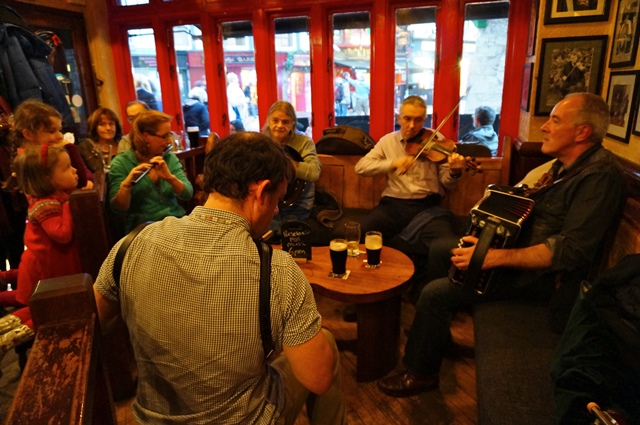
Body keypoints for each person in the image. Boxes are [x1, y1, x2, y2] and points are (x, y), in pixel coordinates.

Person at [377, 92, 627, 398]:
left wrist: (490, 256)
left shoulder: (600, 177)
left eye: (555, 120)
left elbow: (570, 251)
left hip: (547, 283)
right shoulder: (565, 167)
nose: (545, 127)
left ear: (582, 132)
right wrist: (485, 236)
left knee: (434, 293)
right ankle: (434, 335)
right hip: (523, 263)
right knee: (442, 249)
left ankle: (420, 373)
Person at [92, 132, 345, 424]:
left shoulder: (133, 242)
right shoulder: (277, 268)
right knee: (324, 345)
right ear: (261, 191)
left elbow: (92, 324)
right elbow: (319, 380)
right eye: (276, 199)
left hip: (151, 420)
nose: (275, 210)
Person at [355, 95, 466, 259]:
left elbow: (447, 183)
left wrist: (454, 172)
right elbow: (361, 167)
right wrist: (392, 163)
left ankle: (430, 283)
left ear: (425, 120)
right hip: (393, 206)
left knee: (447, 245)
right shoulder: (387, 141)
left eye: (418, 120)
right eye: (407, 119)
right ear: (398, 118)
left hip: (427, 206)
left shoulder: (436, 140)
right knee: (360, 232)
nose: (412, 126)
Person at [0, 144, 82, 353]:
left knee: (40, 309)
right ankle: (6, 341)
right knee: (46, 311)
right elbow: (62, 234)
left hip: (50, 263)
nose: (74, 170)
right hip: (43, 267)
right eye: (66, 168)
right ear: (47, 178)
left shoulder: (56, 196)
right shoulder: (46, 204)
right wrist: (69, 206)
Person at [108, 110, 193, 233]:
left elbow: (188, 194)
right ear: (146, 136)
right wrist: (126, 186)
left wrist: (170, 178)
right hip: (142, 230)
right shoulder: (121, 163)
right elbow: (118, 208)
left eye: (169, 134)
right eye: (164, 136)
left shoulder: (169, 158)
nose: (169, 141)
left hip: (174, 224)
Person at [262, 101, 321, 234]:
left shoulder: (305, 142)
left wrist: (284, 162)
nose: (279, 125)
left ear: (293, 124)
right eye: (275, 120)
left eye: (285, 122)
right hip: (267, 202)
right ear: (268, 121)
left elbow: (314, 172)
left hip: (298, 204)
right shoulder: (261, 142)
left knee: (289, 238)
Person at [12, 99, 93, 190]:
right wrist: (70, 148)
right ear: (29, 134)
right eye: (51, 131)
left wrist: (89, 178)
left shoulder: (52, 151)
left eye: (59, 130)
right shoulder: (33, 161)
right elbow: (81, 181)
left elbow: (84, 173)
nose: (60, 136)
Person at [79, 107, 124, 172]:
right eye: (102, 124)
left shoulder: (123, 144)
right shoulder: (86, 147)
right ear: (94, 127)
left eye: (111, 124)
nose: (108, 128)